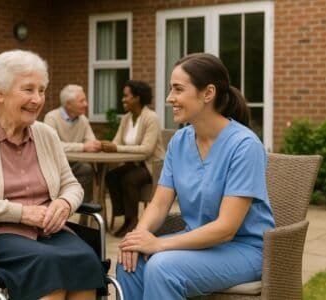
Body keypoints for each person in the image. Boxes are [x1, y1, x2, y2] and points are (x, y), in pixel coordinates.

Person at [0, 50, 105, 300]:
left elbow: (71, 184)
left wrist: (64, 202)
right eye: (28, 90)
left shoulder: (46, 135)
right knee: (48, 266)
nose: (38, 99)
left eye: (41, 90)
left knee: (84, 258)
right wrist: (22, 213)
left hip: (48, 229)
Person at [116, 53, 276, 299]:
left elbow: (226, 228)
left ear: (208, 94)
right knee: (130, 264)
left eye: (178, 89)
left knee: (162, 268)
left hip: (244, 249)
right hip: (196, 242)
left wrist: (158, 244)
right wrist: (139, 235)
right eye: (171, 89)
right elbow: (159, 204)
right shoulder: (179, 141)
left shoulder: (245, 146)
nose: (170, 98)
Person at [102, 80, 165, 237]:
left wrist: (116, 148)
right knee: (111, 176)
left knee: (129, 178)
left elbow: (146, 150)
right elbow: (117, 142)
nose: (123, 99)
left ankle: (133, 221)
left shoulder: (151, 118)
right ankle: (126, 218)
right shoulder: (126, 118)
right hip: (134, 165)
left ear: (137, 97)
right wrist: (106, 145)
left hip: (151, 166)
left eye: (126, 96)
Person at [44, 84, 101, 209]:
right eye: (82, 101)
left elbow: (90, 140)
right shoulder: (51, 118)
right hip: (55, 166)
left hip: (75, 164)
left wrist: (94, 144)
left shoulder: (83, 120)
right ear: (68, 104)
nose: (86, 104)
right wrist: (83, 147)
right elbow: (54, 146)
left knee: (87, 170)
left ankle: (85, 211)